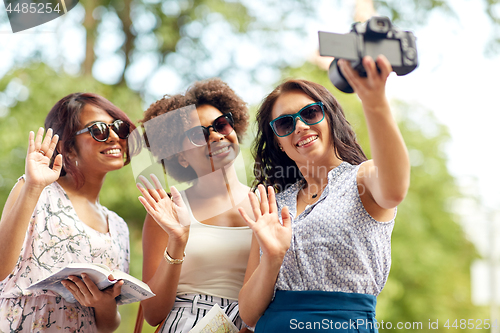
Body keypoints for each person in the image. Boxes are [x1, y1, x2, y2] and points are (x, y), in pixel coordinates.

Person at [237, 55, 410, 332]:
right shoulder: (272, 205)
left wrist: (374, 101)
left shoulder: (361, 179)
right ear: (279, 142)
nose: (301, 126)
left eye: (310, 113)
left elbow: (396, 188)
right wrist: (272, 258)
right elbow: (247, 314)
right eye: (285, 123)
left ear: (330, 118)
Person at [0, 93, 135, 332]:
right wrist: (33, 186)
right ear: (68, 148)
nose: (114, 136)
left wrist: (104, 305)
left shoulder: (118, 226)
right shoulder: (35, 190)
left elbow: (107, 326)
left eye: (119, 128)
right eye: (99, 130)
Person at [136, 78, 254, 332]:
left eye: (221, 124)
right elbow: (153, 314)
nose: (214, 136)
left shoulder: (270, 203)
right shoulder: (166, 211)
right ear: (181, 156)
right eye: (198, 134)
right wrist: (177, 240)